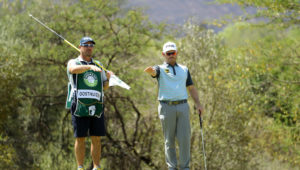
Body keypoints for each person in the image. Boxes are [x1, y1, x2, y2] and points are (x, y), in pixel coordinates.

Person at [144, 42, 204, 170]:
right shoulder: (160, 68)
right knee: (169, 140)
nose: (171, 55)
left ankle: (185, 167)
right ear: (163, 54)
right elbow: (154, 72)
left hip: (183, 106)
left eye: (173, 53)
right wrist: (151, 71)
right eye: (168, 53)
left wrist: (198, 104)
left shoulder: (184, 69)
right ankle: (172, 167)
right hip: (167, 107)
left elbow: (191, 87)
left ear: (177, 53)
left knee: (185, 139)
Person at [66, 37, 112, 170]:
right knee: (80, 137)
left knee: (96, 137)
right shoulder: (73, 62)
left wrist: (108, 79)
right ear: (80, 47)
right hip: (79, 104)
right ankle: (80, 167)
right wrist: (88, 67)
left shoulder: (99, 64)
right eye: (85, 45)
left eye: (91, 45)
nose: (89, 47)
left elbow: (104, 86)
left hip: (96, 105)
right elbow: (73, 70)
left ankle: (96, 167)